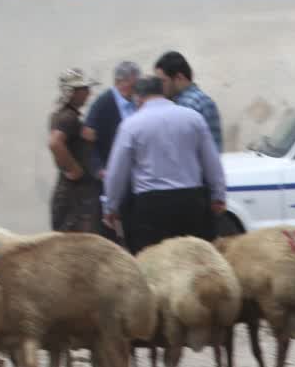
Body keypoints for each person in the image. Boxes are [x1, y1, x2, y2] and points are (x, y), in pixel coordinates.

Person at [102, 76, 226, 255]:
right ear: (163, 92)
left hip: (151, 206)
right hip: (191, 202)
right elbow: (211, 161)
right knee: (193, 258)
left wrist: (111, 207)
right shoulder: (193, 119)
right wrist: (218, 195)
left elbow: (117, 172)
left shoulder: (131, 125)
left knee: (153, 262)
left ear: (138, 98)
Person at [83, 60, 141, 244]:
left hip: (135, 178)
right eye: (133, 84)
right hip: (111, 176)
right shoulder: (103, 104)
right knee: (112, 230)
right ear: (120, 82)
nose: (136, 88)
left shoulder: (137, 102)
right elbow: (88, 142)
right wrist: (98, 169)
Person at [47, 68, 101, 232]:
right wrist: (74, 170)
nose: (88, 93)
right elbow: (55, 143)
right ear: (72, 92)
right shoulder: (67, 118)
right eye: (84, 89)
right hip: (73, 197)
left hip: (73, 194)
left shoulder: (63, 115)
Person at [154, 50, 223, 152]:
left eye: (163, 81)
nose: (159, 86)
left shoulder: (194, 103)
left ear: (179, 78)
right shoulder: (176, 102)